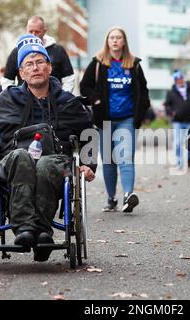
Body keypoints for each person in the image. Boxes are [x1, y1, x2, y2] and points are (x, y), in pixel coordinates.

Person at [0, 34, 97, 262]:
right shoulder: (7, 99)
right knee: (21, 157)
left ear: (50, 67)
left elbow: (90, 132)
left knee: (47, 163)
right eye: (28, 64)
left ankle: (40, 231)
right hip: (13, 160)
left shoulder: (67, 102)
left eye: (40, 62)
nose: (35, 67)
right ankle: (25, 230)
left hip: (56, 162)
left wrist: (89, 164)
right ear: (21, 73)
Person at [80, 26, 150, 213]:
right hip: (105, 119)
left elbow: (143, 92)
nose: (115, 40)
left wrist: (140, 115)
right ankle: (111, 199)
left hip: (127, 118)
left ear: (124, 41)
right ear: (107, 41)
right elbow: (85, 86)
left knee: (125, 157)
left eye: (119, 37)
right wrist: (95, 99)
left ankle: (128, 196)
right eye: (112, 37)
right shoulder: (98, 62)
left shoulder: (133, 64)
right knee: (109, 161)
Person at [1, 16, 75, 93]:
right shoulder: (17, 52)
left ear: (44, 31)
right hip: (24, 101)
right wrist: (15, 99)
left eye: (37, 32)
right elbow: (7, 81)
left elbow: (69, 79)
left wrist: (61, 98)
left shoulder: (58, 50)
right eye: (30, 31)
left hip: (54, 101)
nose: (33, 35)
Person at [165, 70, 190, 169]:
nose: (180, 81)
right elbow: (167, 105)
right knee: (177, 142)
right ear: (175, 81)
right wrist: (171, 112)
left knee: (188, 142)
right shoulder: (171, 92)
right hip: (177, 121)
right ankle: (179, 161)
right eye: (178, 79)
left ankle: (188, 158)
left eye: (181, 79)